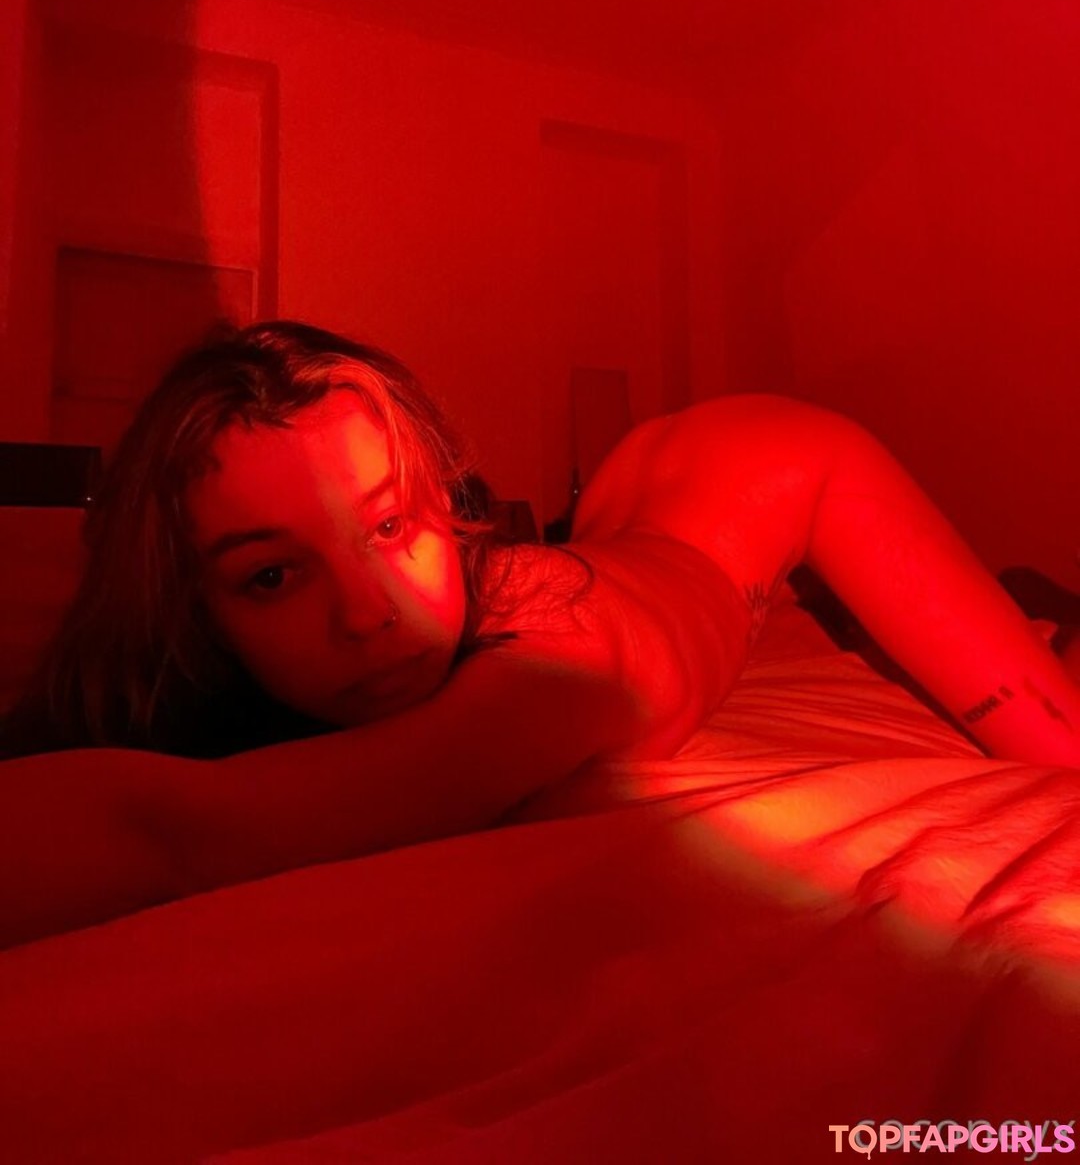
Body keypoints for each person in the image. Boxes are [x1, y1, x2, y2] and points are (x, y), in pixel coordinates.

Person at [2, 319, 1079, 948]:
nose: (372, 613)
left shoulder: (549, 668)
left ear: (443, 505)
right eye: (274, 575)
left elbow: (188, 833)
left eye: (391, 525)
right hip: (625, 510)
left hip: (782, 468)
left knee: (1055, 736)